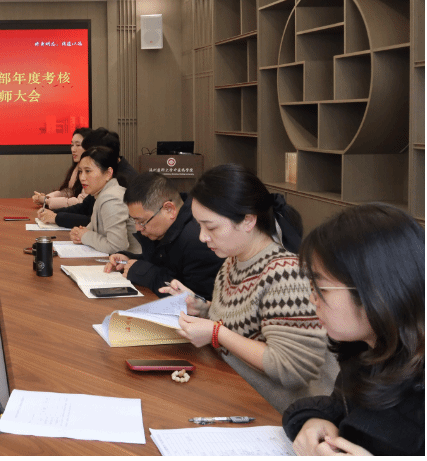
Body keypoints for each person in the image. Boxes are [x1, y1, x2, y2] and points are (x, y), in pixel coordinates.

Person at [161, 164, 336, 412]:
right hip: (234, 391)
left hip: (279, 412)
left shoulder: (285, 274)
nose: (202, 237)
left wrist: (216, 333)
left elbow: (290, 368)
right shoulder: (233, 261)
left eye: (211, 227)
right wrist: (203, 308)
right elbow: (245, 325)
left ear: (248, 220)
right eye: (199, 226)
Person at [283, 203, 424, 456]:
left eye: (322, 289)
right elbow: (337, 406)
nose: (313, 299)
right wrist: (313, 421)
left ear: (375, 291)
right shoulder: (365, 350)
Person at [103, 172, 223, 299]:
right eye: (134, 221)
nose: (138, 228)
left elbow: (197, 300)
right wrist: (128, 259)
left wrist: (147, 274)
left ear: (169, 209)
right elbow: (162, 263)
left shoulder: (198, 239)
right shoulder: (165, 229)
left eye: (142, 221)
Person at [67, 146, 140, 255]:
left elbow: (118, 247)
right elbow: (92, 230)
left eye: (88, 171)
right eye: (80, 171)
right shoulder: (102, 193)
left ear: (108, 173)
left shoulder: (111, 198)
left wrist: (84, 235)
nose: (82, 177)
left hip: (132, 262)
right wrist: (79, 233)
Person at [31, 127, 92, 209]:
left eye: (78, 145)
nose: (73, 149)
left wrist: (47, 201)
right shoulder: (77, 167)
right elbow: (69, 192)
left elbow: (80, 202)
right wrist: (46, 197)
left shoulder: (91, 170)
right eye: (72, 145)